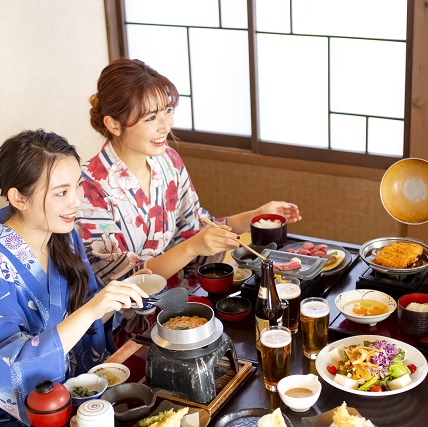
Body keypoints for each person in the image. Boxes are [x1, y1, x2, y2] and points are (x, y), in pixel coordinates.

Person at [0, 130, 146, 427]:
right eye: (61, 192)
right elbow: (5, 371)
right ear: (18, 197)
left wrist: (119, 299)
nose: (77, 200)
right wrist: (92, 309)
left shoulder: (62, 234)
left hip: (69, 392)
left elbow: (84, 315)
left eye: (78, 184)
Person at [77, 58, 301, 293]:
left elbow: (194, 229)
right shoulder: (88, 190)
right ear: (114, 124)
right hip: (125, 321)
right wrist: (192, 247)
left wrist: (253, 218)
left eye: (168, 111)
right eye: (151, 118)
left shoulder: (168, 161)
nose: (166, 126)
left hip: (177, 299)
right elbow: (123, 282)